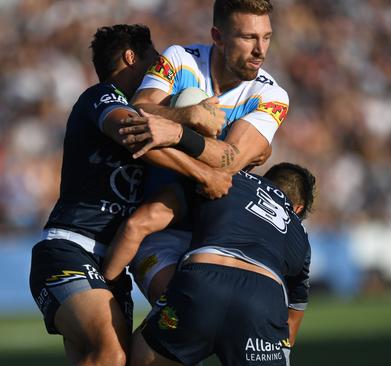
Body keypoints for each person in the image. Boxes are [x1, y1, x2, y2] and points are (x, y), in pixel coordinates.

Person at [28, 23, 232, 366]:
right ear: (131, 57)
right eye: (154, 58)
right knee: (111, 353)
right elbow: (134, 131)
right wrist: (198, 158)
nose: (160, 68)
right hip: (71, 247)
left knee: (106, 357)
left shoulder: (156, 118)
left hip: (112, 264)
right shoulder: (101, 96)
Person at [122, 0, 290, 305]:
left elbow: (229, 162)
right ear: (218, 36)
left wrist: (174, 132)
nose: (260, 50)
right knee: (177, 316)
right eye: (248, 37)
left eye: (266, 37)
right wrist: (189, 116)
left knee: (223, 324)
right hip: (160, 233)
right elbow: (134, 117)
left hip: (219, 235)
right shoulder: (180, 59)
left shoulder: (270, 95)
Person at [102, 162, 316, 365]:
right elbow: (291, 324)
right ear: (298, 209)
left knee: (141, 359)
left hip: (203, 281)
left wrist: (110, 283)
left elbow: (140, 223)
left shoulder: (224, 179)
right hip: (262, 297)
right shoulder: (299, 231)